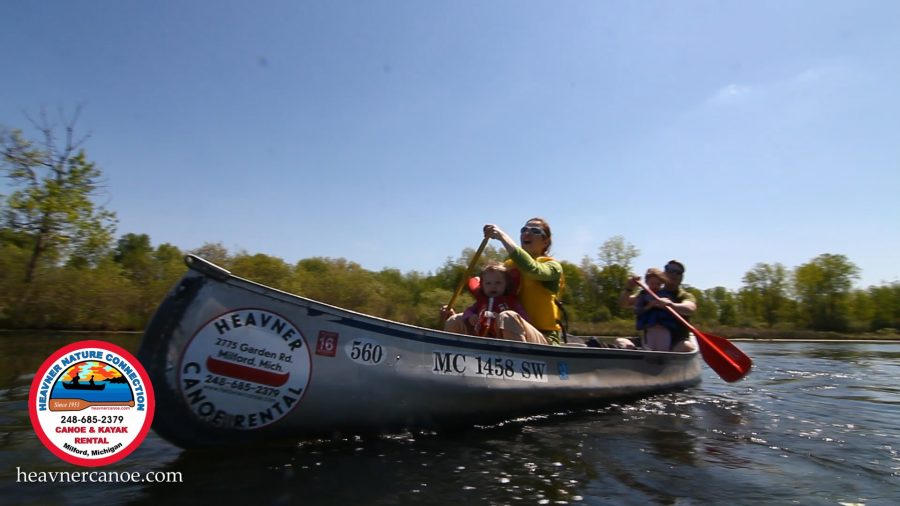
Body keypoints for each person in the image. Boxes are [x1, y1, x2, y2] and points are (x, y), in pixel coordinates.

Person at [482, 218, 565, 345]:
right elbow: (489, 293)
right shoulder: (509, 266)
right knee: (456, 320)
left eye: (535, 230)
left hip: (544, 337)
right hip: (506, 330)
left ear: (545, 241)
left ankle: (519, 361)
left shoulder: (553, 267)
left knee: (508, 317)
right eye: (524, 229)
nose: (527, 233)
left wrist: (502, 237)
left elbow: (532, 269)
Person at [442, 263, 543, 342]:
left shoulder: (512, 302)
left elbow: (524, 320)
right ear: (482, 286)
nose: (493, 286)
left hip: (506, 337)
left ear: (505, 285)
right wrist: (471, 316)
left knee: (507, 316)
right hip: (485, 338)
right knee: (454, 319)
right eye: (488, 283)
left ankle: (519, 358)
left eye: (498, 283)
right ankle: (450, 354)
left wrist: (499, 318)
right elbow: (468, 312)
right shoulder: (481, 302)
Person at [619, 260, 698, 352]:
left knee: (686, 346)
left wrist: (671, 305)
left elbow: (690, 308)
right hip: (649, 340)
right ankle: (638, 358)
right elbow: (623, 304)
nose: (673, 274)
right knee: (621, 342)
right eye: (670, 270)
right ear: (664, 273)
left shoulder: (684, 295)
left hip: (675, 343)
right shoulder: (648, 293)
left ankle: (667, 362)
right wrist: (629, 288)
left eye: (678, 272)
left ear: (681, 277)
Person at [631, 268, 680, 350]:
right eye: (652, 283)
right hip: (649, 330)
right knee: (650, 353)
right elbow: (637, 311)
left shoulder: (666, 296)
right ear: (647, 282)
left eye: (658, 284)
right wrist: (649, 306)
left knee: (663, 352)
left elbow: (672, 311)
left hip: (664, 329)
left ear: (662, 284)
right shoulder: (642, 295)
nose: (655, 286)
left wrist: (664, 305)